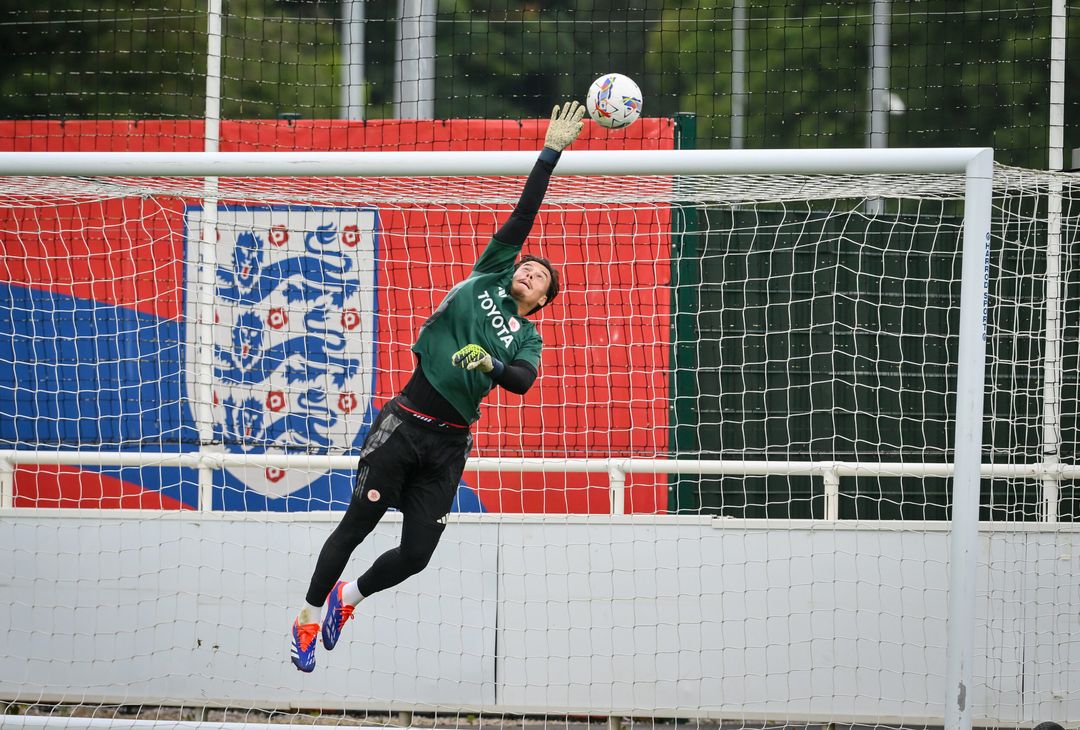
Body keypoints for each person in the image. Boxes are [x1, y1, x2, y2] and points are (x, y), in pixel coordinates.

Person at [290, 100, 586, 672]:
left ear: (545, 300)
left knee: (417, 555)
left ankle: (347, 599)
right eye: (527, 266)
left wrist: (491, 365)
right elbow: (523, 215)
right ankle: (305, 618)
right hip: (404, 425)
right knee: (356, 526)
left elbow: (522, 382)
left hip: (449, 445)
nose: (529, 272)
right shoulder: (490, 275)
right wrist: (550, 152)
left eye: (540, 278)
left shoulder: (527, 337)